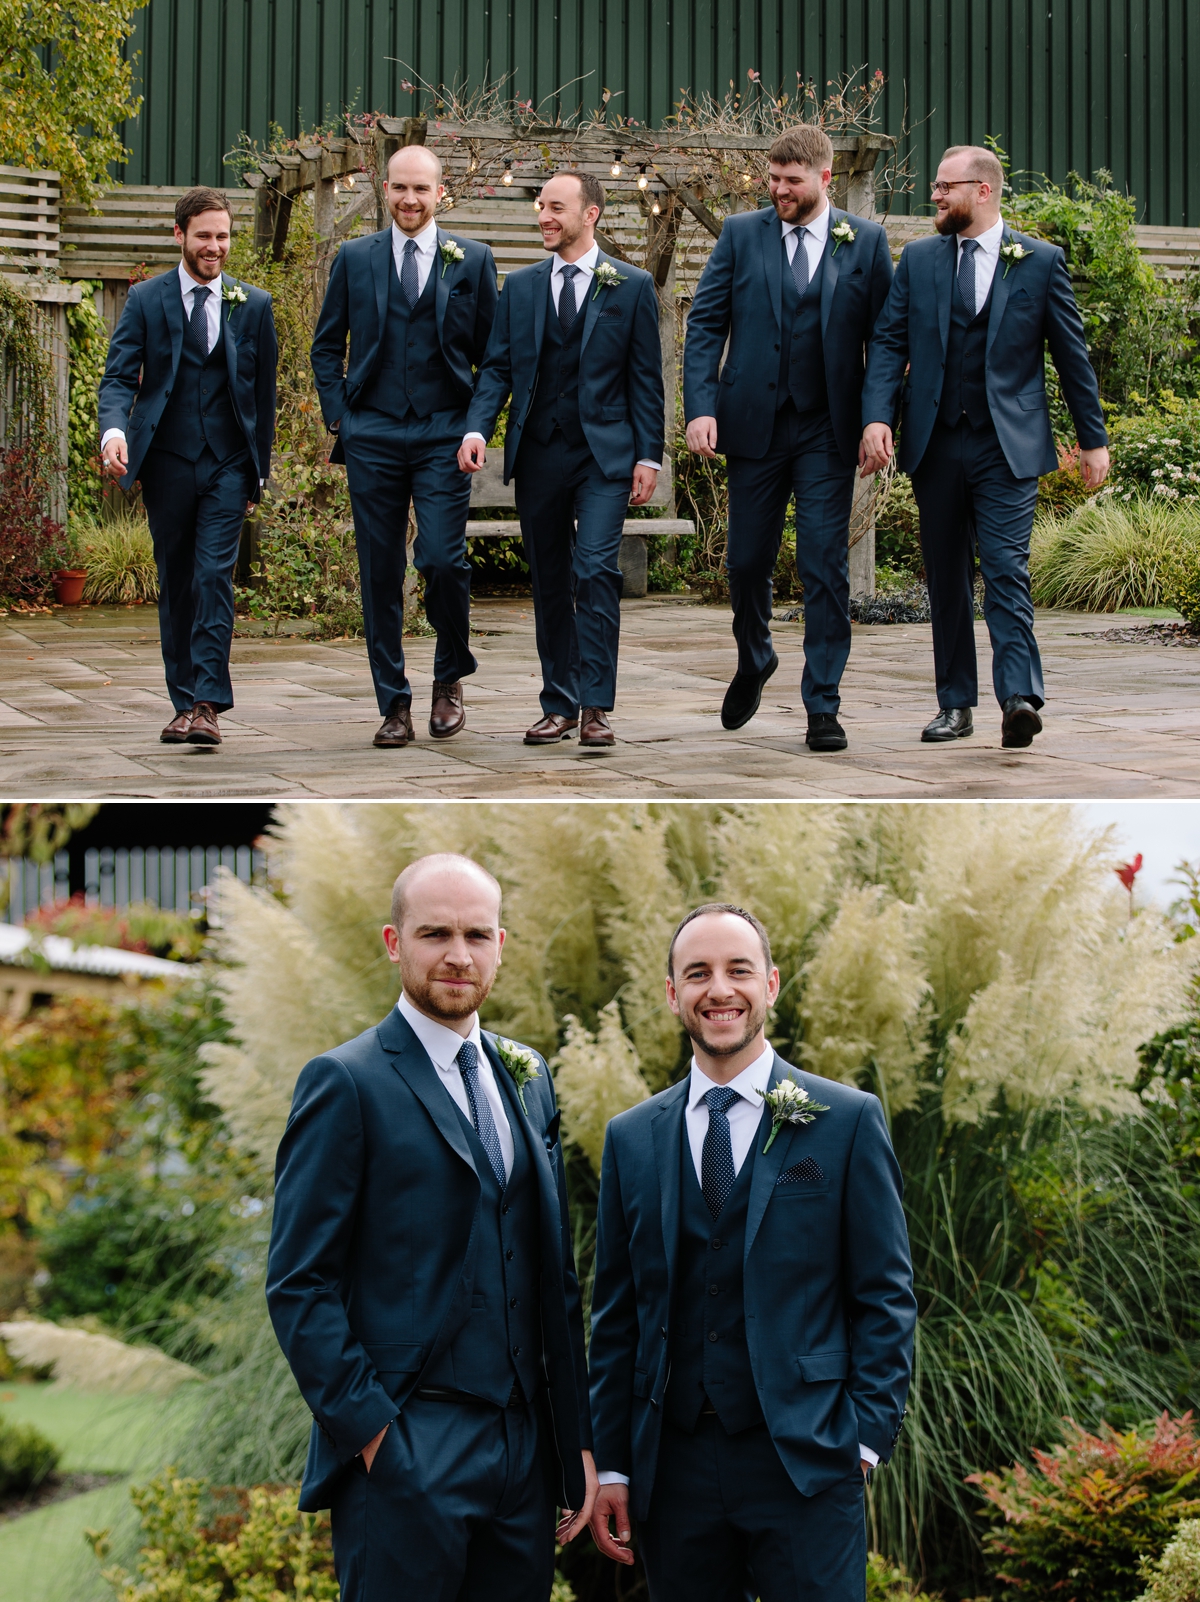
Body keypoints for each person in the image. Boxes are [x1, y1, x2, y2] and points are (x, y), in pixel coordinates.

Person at [266, 852, 596, 1602]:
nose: (457, 955)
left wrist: (572, 1436)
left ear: (501, 947)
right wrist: (379, 1438)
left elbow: (555, 1276)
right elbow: (298, 1283)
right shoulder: (345, 1081)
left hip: (525, 1454)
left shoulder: (528, 1075)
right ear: (393, 942)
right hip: (409, 1444)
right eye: (434, 934)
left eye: (477, 935)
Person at [588, 903, 916, 1602]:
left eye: (738, 970)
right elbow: (616, 1317)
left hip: (807, 1456)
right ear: (673, 994)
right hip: (672, 1470)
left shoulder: (845, 1120)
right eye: (697, 973)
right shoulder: (631, 1137)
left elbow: (885, 1293)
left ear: (770, 984)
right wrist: (612, 1466)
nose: (720, 990)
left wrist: (862, 1442)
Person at [860, 144, 1110, 748]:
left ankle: (1019, 697)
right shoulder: (918, 260)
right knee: (946, 577)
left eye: (946, 187)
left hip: (1009, 445)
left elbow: (1071, 357)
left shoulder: (1040, 261)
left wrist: (1092, 439)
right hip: (936, 440)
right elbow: (889, 344)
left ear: (984, 190)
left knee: (1004, 568)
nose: (936, 196)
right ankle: (955, 705)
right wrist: (876, 418)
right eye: (937, 187)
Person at [683, 126, 894, 752]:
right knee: (746, 561)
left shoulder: (866, 241)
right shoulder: (741, 234)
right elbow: (706, 323)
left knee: (823, 565)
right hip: (753, 423)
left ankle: (822, 704)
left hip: (829, 429)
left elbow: (885, 340)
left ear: (824, 179)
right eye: (772, 179)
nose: (778, 190)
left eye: (791, 181)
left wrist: (878, 417)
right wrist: (700, 406)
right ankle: (755, 657)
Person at [458, 170, 665, 749]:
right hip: (540, 452)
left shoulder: (631, 285)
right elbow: (496, 368)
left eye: (556, 206)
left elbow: (645, 381)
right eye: (540, 206)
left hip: (604, 456)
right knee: (549, 579)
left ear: (589, 213)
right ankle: (559, 703)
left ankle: (597, 706)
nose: (544, 216)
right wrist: (477, 428)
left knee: (595, 569)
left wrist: (649, 455)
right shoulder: (520, 287)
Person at [311, 146, 499, 748]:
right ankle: (393, 704)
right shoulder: (354, 257)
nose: (410, 200)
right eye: (399, 189)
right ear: (383, 190)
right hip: (373, 435)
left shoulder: (471, 259)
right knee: (380, 571)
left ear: (440, 192)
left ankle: (449, 678)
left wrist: (475, 425)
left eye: (421, 189)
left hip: (444, 432)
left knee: (442, 560)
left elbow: (494, 359)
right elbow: (325, 347)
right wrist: (342, 420)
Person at [98, 187, 277, 748]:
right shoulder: (147, 300)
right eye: (204, 236)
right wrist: (113, 432)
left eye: (223, 236)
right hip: (169, 462)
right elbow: (120, 377)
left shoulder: (254, 304)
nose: (215, 246)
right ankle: (181, 702)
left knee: (212, 576)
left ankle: (207, 705)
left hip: (228, 463)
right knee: (177, 580)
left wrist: (259, 472)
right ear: (180, 235)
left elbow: (263, 395)